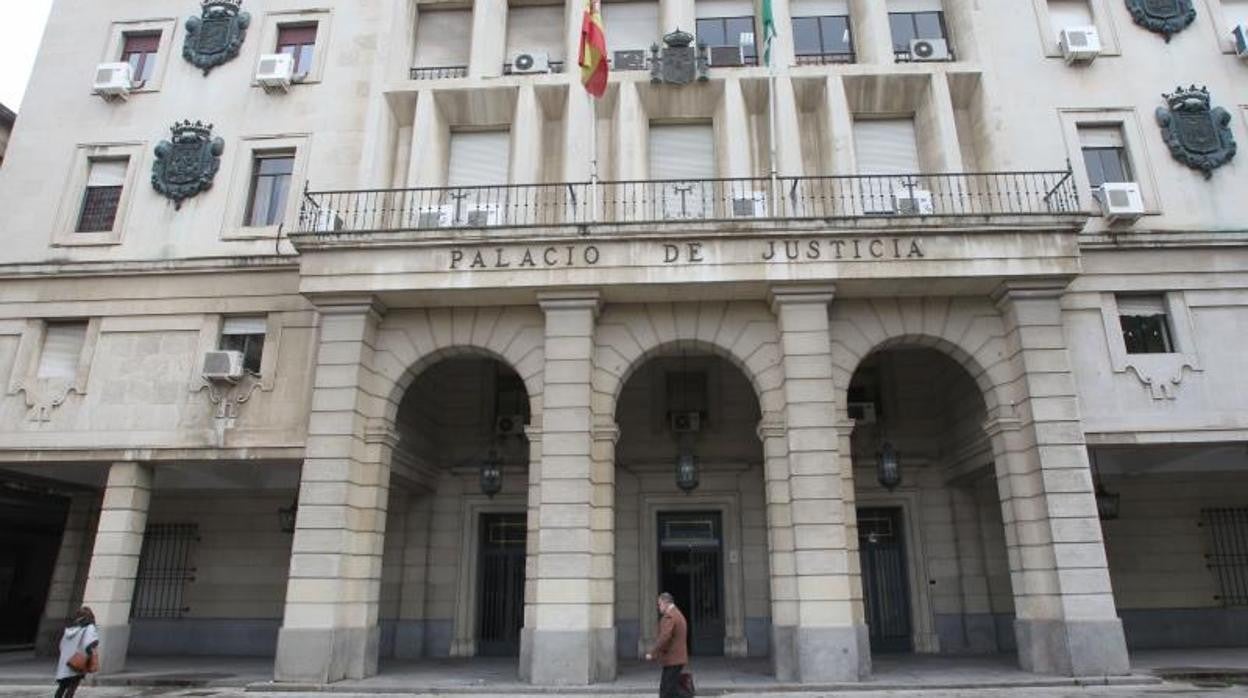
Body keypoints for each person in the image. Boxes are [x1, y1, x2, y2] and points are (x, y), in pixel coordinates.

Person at [644, 592, 689, 697]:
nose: (659, 607)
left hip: (673, 659)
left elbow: (664, 637)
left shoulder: (670, 616)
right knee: (668, 690)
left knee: (667, 691)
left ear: (666, 603)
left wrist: (652, 653)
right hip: (676, 659)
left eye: (659, 604)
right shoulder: (677, 613)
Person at [54, 606, 99, 698]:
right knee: (72, 686)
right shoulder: (89, 627)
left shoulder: (71, 628)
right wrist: (90, 657)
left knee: (62, 686)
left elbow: (61, 645)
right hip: (78, 661)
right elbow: (90, 643)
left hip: (66, 661)